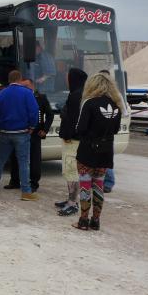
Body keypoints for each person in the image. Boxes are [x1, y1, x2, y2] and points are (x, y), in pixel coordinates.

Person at [72, 73, 123, 230]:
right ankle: (96, 221)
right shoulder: (116, 105)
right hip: (106, 151)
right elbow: (115, 130)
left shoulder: (89, 103)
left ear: (92, 85)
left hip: (87, 150)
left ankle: (83, 221)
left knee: (85, 185)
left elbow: (80, 128)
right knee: (99, 185)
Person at [0, 70, 39, 201]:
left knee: (0, 161)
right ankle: (26, 192)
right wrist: (32, 127)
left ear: (9, 79)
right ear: (20, 79)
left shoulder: (1, 93)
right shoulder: (27, 93)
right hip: (22, 133)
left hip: (5, 132)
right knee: (23, 162)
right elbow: (34, 111)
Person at [7, 79, 54, 192]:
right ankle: (15, 181)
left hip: (35, 133)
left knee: (34, 159)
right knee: (15, 156)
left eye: (27, 86)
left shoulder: (41, 98)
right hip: (20, 131)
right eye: (22, 86)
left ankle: (34, 183)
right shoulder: (19, 97)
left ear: (32, 86)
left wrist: (45, 130)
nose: (25, 89)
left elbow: (50, 115)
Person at [55, 68, 88, 216]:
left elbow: (73, 120)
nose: (66, 79)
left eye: (68, 77)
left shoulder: (76, 96)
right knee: (71, 171)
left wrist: (68, 135)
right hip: (75, 140)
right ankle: (71, 199)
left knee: (71, 171)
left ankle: (73, 203)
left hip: (72, 141)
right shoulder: (81, 94)